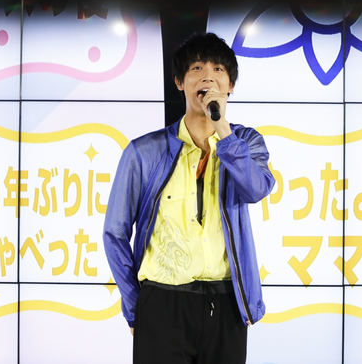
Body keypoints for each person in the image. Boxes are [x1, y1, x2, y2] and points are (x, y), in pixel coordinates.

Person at [103, 32, 275, 363]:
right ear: (179, 82)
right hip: (162, 302)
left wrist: (223, 130)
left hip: (225, 303)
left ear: (230, 85)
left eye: (219, 70)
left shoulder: (246, 142)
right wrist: (136, 305)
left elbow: (256, 189)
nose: (208, 77)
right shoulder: (144, 151)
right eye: (197, 68)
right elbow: (115, 233)